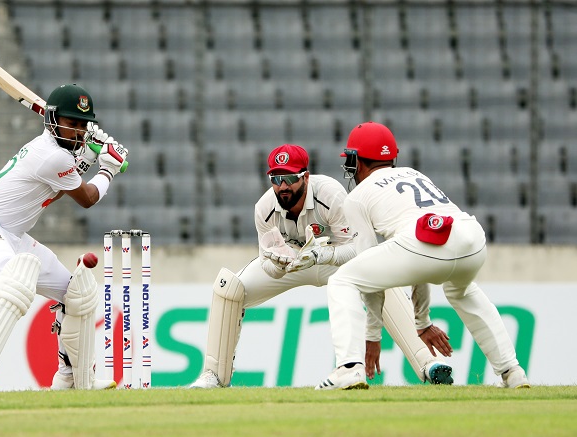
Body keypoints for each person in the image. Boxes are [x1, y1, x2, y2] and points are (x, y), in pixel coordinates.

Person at [189, 144, 453, 391]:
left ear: (306, 176)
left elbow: (358, 250)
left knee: (380, 276)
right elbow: (268, 267)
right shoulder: (264, 208)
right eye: (276, 179)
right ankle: (213, 374)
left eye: (290, 179)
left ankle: (427, 364)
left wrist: (321, 255)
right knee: (229, 288)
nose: (282, 187)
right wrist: (278, 265)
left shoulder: (331, 194)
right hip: (294, 262)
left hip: (334, 259)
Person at [0, 84, 129, 392]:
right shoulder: (52, 156)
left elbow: (49, 194)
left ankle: (74, 380)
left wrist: (83, 164)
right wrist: (107, 169)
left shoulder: (57, 157)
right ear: (53, 120)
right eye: (72, 124)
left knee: (77, 293)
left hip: (11, 234)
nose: (79, 132)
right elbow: (87, 198)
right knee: (13, 286)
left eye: (83, 125)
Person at [321, 121, 530, 388]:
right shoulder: (414, 173)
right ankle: (512, 372)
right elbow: (421, 260)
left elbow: (373, 281)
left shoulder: (357, 197)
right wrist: (421, 322)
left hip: (425, 241)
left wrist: (372, 336)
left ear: (355, 161)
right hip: (470, 237)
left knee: (343, 280)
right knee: (462, 292)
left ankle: (349, 368)